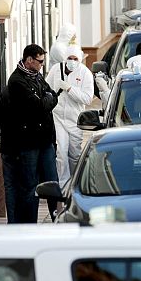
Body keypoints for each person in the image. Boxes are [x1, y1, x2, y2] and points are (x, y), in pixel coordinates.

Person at [0, 44, 58, 224]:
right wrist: (47, 100)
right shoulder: (16, 81)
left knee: (52, 182)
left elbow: (53, 96)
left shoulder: (37, 76)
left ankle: (57, 218)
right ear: (29, 60)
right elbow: (38, 107)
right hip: (27, 144)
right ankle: (29, 224)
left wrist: (47, 99)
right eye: (40, 61)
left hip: (45, 141)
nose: (42, 65)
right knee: (29, 186)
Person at [46, 44, 94, 189]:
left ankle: (76, 183)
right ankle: (63, 186)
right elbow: (46, 89)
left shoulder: (85, 73)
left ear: (79, 60)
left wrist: (69, 88)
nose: (72, 61)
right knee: (60, 152)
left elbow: (87, 98)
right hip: (58, 117)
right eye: (69, 58)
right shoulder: (56, 69)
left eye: (75, 59)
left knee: (75, 154)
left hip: (75, 120)